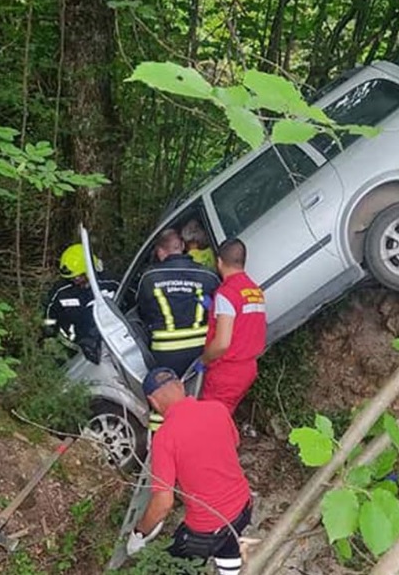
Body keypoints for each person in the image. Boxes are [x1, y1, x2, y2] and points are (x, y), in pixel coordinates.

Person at [126, 368, 252, 575]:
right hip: (244, 507)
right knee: (228, 537)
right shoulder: (217, 409)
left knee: (168, 567)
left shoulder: (165, 437)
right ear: (182, 387)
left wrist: (139, 532)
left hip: (207, 528)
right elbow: (234, 442)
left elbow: (163, 504)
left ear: (153, 402)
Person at [137, 229, 220, 376]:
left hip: (165, 353)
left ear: (160, 252)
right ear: (182, 246)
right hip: (201, 350)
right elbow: (221, 311)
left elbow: (142, 312)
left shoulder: (149, 277)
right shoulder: (208, 274)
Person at [197, 239, 267, 414]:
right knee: (222, 416)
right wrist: (214, 308)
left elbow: (222, 343)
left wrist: (204, 360)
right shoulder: (255, 291)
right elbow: (245, 324)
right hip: (248, 368)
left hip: (227, 371)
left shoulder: (227, 294)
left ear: (219, 262)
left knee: (210, 420)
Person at [42, 243, 119, 364]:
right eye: (72, 278)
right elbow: (48, 318)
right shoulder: (61, 292)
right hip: (73, 350)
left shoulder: (110, 283)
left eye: (79, 277)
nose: (76, 281)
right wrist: (49, 335)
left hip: (113, 343)